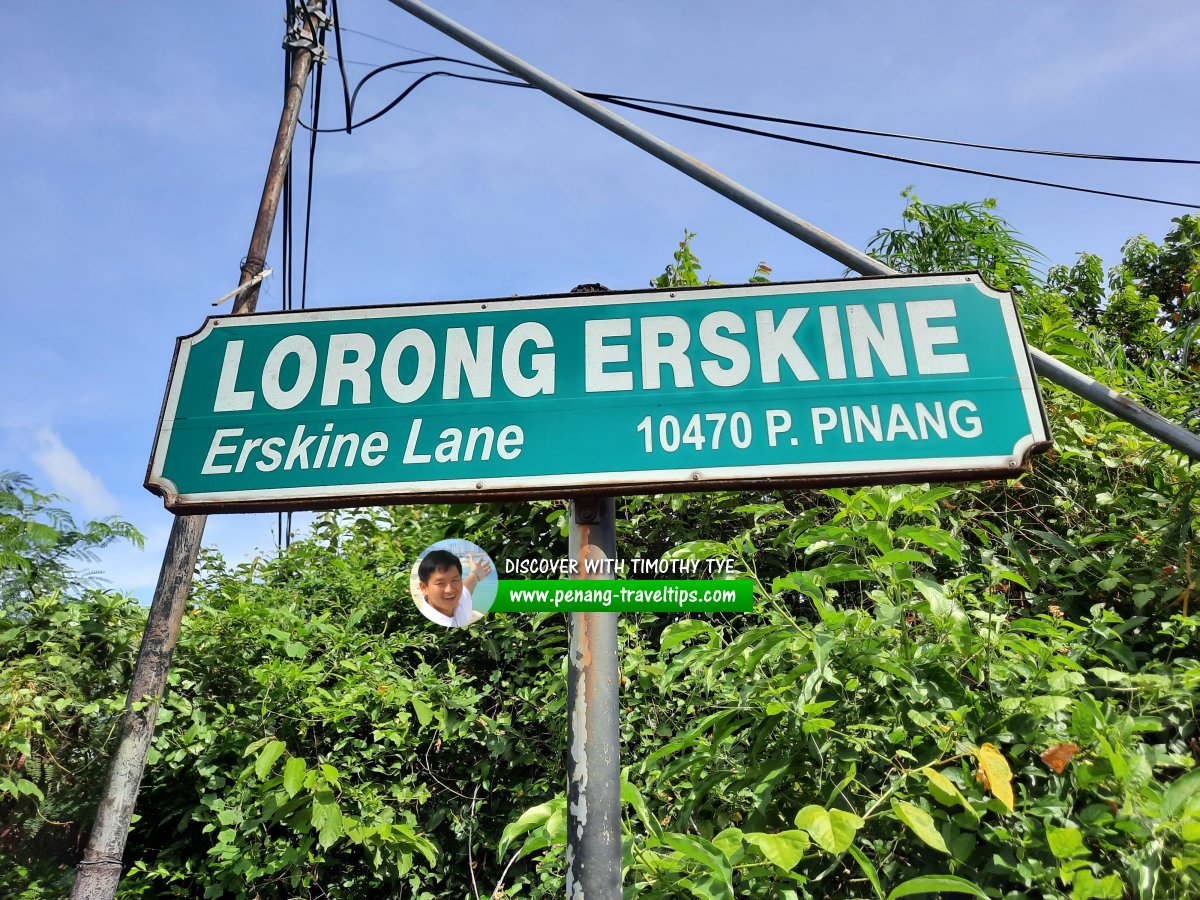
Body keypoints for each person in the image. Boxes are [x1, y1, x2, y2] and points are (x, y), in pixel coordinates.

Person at [415, 548, 492, 628]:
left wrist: (475, 573)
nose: (450, 590)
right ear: (424, 588)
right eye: (440, 583)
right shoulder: (428, 624)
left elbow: (468, 586)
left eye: (454, 580)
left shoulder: (460, 600)